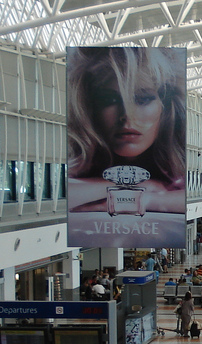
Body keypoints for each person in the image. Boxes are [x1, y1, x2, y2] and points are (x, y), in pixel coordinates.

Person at [66, 47, 187, 220]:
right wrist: (140, 185)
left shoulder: (180, 167)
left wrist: (143, 199)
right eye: (110, 100)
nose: (127, 116)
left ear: (166, 107)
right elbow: (64, 196)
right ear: (90, 108)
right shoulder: (76, 160)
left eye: (142, 99)